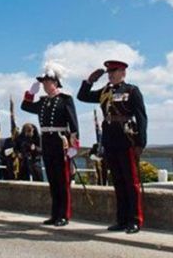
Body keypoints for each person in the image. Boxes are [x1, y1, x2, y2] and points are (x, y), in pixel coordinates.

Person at [78, 60, 147, 234]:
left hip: (126, 139)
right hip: (110, 140)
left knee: (131, 182)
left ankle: (135, 220)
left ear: (123, 72)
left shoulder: (131, 90)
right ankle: (122, 219)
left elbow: (141, 118)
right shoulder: (105, 91)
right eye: (109, 72)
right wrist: (88, 82)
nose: (110, 74)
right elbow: (82, 97)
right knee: (117, 181)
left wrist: (140, 143)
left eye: (114, 71)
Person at [22, 67, 79, 227]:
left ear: (55, 83)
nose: (44, 85)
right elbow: (25, 107)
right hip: (46, 141)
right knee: (53, 180)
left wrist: (74, 146)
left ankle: (64, 215)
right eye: (43, 83)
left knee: (63, 180)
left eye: (46, 82)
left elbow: (73, 124)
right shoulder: (42, 101)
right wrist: (30, 93)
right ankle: (55, 214)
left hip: (61, 142)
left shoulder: (65, 99)